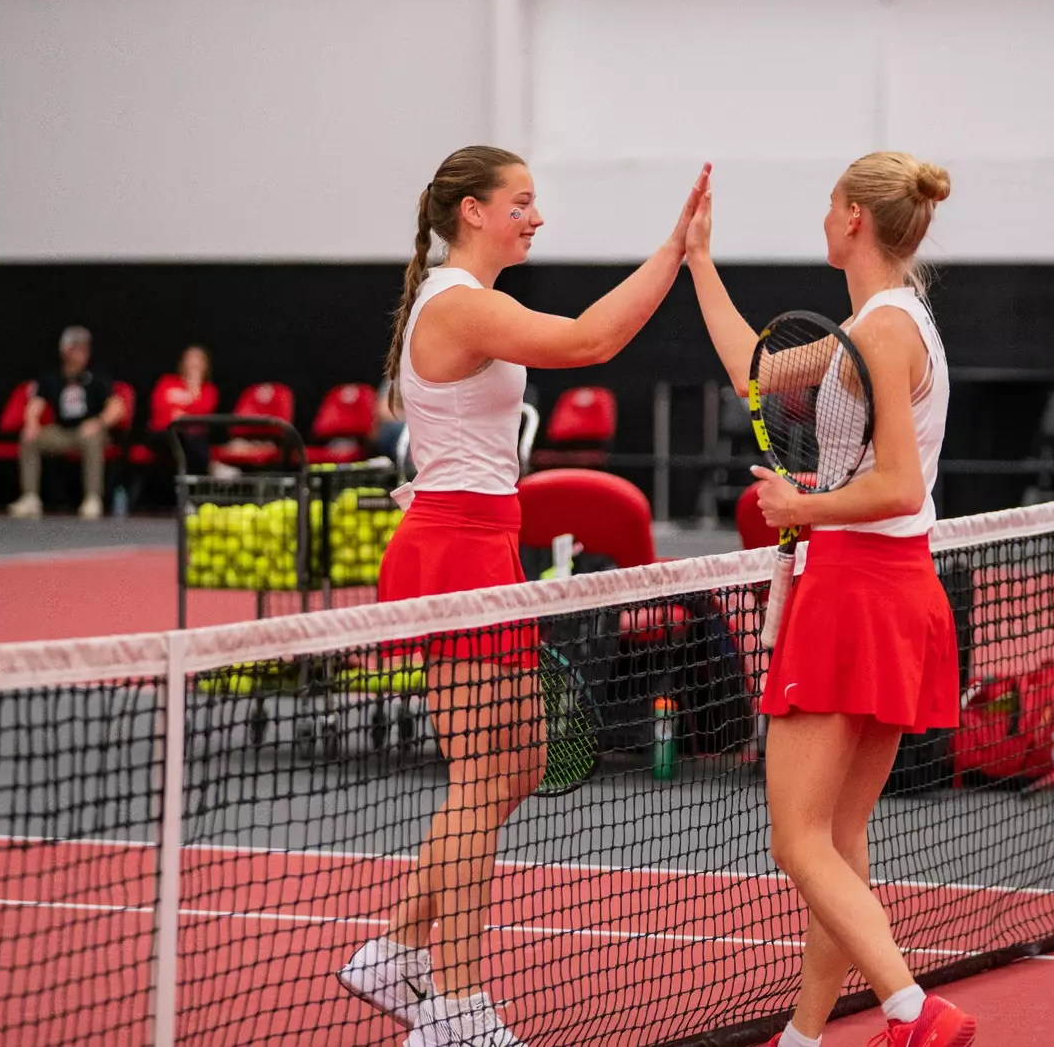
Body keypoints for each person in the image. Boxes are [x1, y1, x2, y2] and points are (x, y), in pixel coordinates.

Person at [335, 145, 708, 1047]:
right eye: (520, 202)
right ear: (471, 211)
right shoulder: (460, 304)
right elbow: (588, 342)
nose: (535, 217)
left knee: (521, 760)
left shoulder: (468, 299)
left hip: (485, 541)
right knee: (477, 778)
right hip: (452, 549)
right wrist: (676, 252)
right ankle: (454, 1009)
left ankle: (394, 952)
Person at [686, 153, 976, 1047]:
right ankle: (804, 1038)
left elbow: (897, 486)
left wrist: (799, 507)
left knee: (796, 842)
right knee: (838, 847)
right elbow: (757, 371)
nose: (821, 216)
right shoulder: (883, 320)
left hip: (858, 590)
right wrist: (697, 259)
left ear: (853, 218)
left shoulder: (883, 332)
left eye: (828, 203)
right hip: (895, 590)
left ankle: (912, 1010)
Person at [8, 326, 125, 520]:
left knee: (92, 438)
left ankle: (92, 498)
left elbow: (117, 407)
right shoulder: (51, 377)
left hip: (89, 430)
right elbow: (35, 405)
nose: (82, 352)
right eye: (76, 348)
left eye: (85, 348)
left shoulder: (97, 376)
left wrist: (98, 422)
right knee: (29, 438)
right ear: (65, 351)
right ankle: (30, 497)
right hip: (62, 432)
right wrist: (31, 423)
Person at [154, 345, 218, 475]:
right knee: (176, 439)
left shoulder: (209, 390)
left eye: (198, 359)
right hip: (163, 433)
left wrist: (194, 388)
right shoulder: (167, 382)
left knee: (191, 440)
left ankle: (196, 478)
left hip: (192, 437)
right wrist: (186, 412)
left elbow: (202, 415)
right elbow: (159, 408)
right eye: (190, 358)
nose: (194, 363)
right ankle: (211, 468)